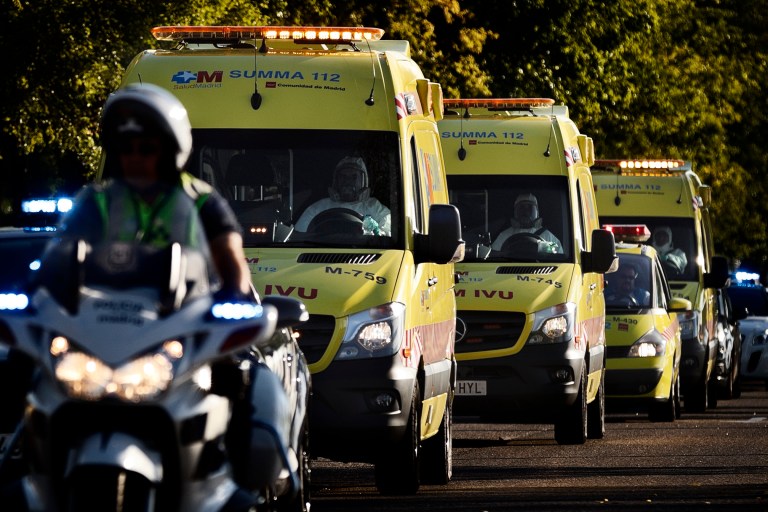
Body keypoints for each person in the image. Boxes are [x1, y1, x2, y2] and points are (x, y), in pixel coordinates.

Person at [56, 83, 252, 299]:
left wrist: (235, 296)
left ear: (170, 151)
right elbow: (62, 256)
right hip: (105, 316)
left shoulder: (201, 199)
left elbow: (231, 259)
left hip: (186, 315)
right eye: (126, 149)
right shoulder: (98, 199)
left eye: (146, 149)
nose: (134, 158)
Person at [294, 156, 391, 235]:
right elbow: (298, 236)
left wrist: (373, 233)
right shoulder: (318, 208)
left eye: (353, 177)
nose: (347, 182)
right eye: (343, 177)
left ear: (363, 181)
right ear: (336, 181)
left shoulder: (374, 207)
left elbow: (389, 234)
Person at [491, 193, 563, 253]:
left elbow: (559, 258)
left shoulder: (548, 237)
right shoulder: (504, 236)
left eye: (530, 209)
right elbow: (493, 258)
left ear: (537, 212)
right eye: (522, 208)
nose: (526, 212)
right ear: (515, 212)